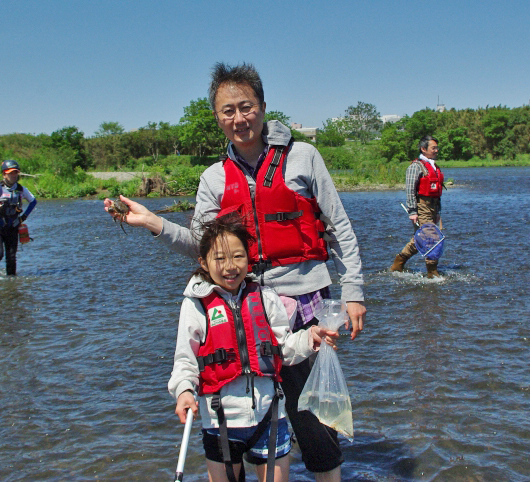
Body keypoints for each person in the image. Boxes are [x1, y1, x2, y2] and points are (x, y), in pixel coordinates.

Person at [106, 62, 365, 481]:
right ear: (217, 117)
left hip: (305, 303)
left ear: (262, 107)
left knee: (313, 417)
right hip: (245, 303)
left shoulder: (303, 157)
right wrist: (153, 222)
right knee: (244, 411)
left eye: (246, 107)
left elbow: (340, 228)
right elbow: (201, 246)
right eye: (228, 111)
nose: (239, 119)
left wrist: (353, 289)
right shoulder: (212, 178)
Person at [170, 214, 338, 482]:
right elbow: (185, 359)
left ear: (248, 259)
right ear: (203, 262)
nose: (230, 266)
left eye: (238, 257)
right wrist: (184, 391)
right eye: (220, 258)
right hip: (220, 422)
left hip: (269, 417)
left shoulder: (265, 297)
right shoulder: (196, 305)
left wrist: (310, 337)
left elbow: (283, 348)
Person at [390, 136, 444, 277]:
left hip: (433, 207)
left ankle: (398, 263)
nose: (436, 150)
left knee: (423, 238)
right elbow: (410, 190)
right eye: (433, 148)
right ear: (423, 149)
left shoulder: (434, 166)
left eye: (437, 148)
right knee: (431, 238)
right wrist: (413, 211)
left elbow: (437, 192)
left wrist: (438, 211)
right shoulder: (416, 166)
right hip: (421, 207)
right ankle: (432, 272)